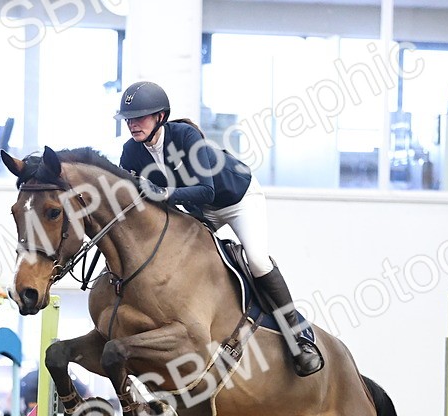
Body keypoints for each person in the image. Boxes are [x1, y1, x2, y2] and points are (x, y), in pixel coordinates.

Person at [116, 81, 324, 377]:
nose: (132, 124)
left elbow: (207, 190)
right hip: (199, 210)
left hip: (237, 199)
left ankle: (298, 335)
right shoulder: (131, 152)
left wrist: (160, 192)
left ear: (160, 117)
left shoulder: (184, 136)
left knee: (257, 260)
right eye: (128, 119)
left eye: (139, 118)